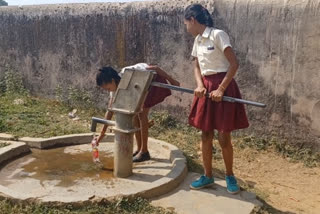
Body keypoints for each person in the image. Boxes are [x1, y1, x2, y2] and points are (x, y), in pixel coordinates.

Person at [184, 4, 249, 194]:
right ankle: (208, 175)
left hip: (223, 88)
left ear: (193, 21)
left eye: (186, 23)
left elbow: (234, 64)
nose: (186, 27)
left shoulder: (218, 35)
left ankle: (229, 175)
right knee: (205, 134)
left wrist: (221, 89)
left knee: (223, 135)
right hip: (206, 89)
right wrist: (199, 85)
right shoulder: (197, 40)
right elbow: (197, 66)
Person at [94, 63, 180, 162]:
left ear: (113, 81)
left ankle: (144, 151)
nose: (107, 91)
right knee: (134, 115)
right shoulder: (114, 89)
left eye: (107, 88)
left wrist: (172, 81)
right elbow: (110, 110)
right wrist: (101, 134)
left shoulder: (129, 73)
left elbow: (155, 68)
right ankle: (139, 149)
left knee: (142, 114)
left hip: (152, 80)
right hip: (141, 87)